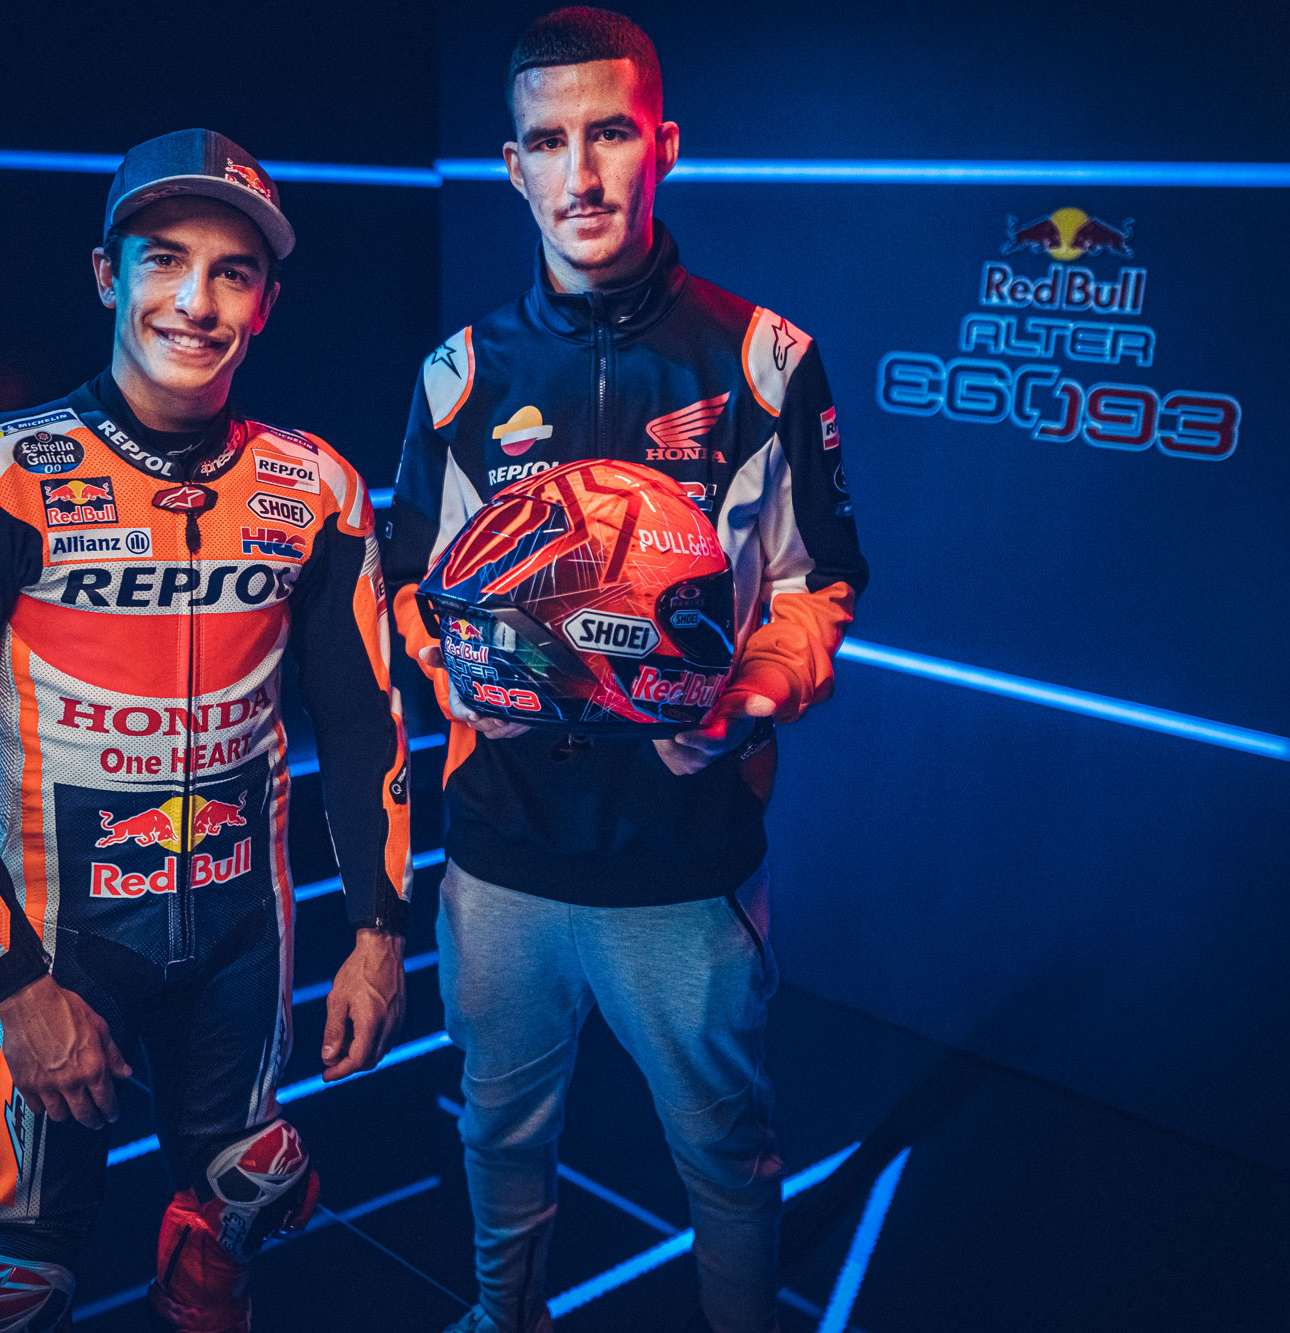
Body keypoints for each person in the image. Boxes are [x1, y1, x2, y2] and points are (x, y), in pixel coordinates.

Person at [0, 128, 412, 1333]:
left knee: (245, 1189)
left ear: (266, 302)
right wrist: (17, 989)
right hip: (53, 938)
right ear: (106, 275)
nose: (195, 301)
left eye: (232, 272)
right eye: (164, 260)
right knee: (13, 1282)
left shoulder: (319, 487)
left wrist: (379, 933)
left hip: (244, 930)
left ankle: (203, 1269)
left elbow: (363, 724)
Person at [381, 10, 867, 1333]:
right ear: (511, 166)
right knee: (496, 1128)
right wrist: (452, 673)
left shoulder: (763, 361)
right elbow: (410, 585)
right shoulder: (460, 376)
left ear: (663, 146)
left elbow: (819, 584)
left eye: (608, 134)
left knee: (723, 1152)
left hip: (685, 862)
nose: (581, 173)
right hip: (501, 854)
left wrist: (749, 697)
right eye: (548, 142)